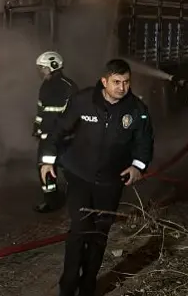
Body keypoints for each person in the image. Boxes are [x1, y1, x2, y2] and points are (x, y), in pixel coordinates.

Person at [39, 58, 154, 296]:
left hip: (111, 181)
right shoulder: (83, 101)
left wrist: (137, 167)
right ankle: (68, 287)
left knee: (100, 234)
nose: (122, 87)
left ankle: (88, 285)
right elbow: (58, 130)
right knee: (80, 231)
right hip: (80, 176)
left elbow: (144, 143)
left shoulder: (136, 110)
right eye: (116, 82)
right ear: (104, 81)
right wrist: (47, 160)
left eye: (126, 82)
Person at [32, 51, 77, 214]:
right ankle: (51, 200)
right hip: (47, 137)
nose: (41, 72)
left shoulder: (68, 85)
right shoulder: (45, 85)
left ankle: (77, 199)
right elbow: (41, 110)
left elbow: (74, 113)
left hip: (64, 136)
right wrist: (37, 128)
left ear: (54, 66)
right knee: (44, 168)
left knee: (71, 168)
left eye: (43, 68)